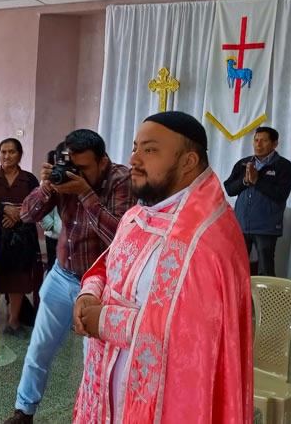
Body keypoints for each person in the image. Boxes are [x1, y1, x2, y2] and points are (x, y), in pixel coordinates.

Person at [72, 112, 253, 423]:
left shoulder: (207, 238)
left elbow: (193, 339)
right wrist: (89, 293)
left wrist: (106, 321)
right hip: (107, 385)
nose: (134, 159)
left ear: (188, 161)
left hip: (165, 402)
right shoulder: (140, 214)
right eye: (135, 147)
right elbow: (109, 266)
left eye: (150, 150)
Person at [4, 130, 134, 424]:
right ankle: (23, 411)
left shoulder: (120, 179)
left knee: (95, 360)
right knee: (38, 349)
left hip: (103, 284)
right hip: (62, 275)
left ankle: (93, 415)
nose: (76, 174)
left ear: (102, 161)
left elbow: (121, 237)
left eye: (84, 168)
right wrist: (47, 188)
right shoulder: (62, 176)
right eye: (72, 167)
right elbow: (26, 215)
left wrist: (85, 194)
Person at [0, 138, 41, 337]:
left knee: (18, 280)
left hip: (22, 239)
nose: (6, 156)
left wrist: (18, 215)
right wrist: (4, 209)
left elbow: (37, 204)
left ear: (19, 154)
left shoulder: (29, 179)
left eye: (11, 152)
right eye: (3, 152)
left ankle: (13, 321)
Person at [224, 126, 291, 276]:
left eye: (263, 141)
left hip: (266, 227)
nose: (258, 145)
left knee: (265, 270)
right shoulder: (243, 163)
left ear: (275, 144)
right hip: (241, 225)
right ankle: (241, 292)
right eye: (256, 140)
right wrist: (245, 181)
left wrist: (257, 181)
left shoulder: (283, 166)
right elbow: (229, 188)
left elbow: (281, 194)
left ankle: (265, 293)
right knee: (237, 268)